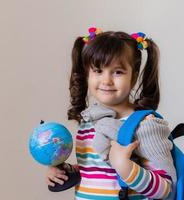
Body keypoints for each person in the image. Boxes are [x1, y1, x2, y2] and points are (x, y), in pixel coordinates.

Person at [46, 27, 176, 199]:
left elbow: (166, 189)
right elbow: (95, 172)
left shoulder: (146, 125)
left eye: (118, 72)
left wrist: (125, 167)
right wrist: (65, 172)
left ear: (134, 76)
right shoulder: (88, 122)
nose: (106, 80)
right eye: (98, 71)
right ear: (87, 74)